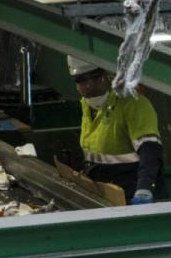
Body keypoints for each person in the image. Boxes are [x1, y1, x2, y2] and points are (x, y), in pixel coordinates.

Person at [69, 57, 165, 204]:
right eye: (81, 80)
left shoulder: (133, 103)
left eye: (96, 78)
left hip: (133, 194)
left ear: (108, 75)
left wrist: (144, 188)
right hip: (106, 193)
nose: (90, 86)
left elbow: (150, 149)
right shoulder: (87, 106)